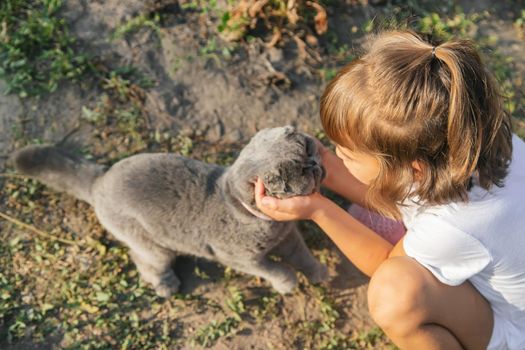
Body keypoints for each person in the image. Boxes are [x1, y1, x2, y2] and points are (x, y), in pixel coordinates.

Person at [254, 30, 525, 350]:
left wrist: (318, 210)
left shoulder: (453, 226)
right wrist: (322, 163)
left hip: (515, 328)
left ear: (414, 169)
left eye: (348, 153)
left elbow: (386, 264)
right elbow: (405, 199)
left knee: (395, 295)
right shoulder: (474, 142)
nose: (338, 153)